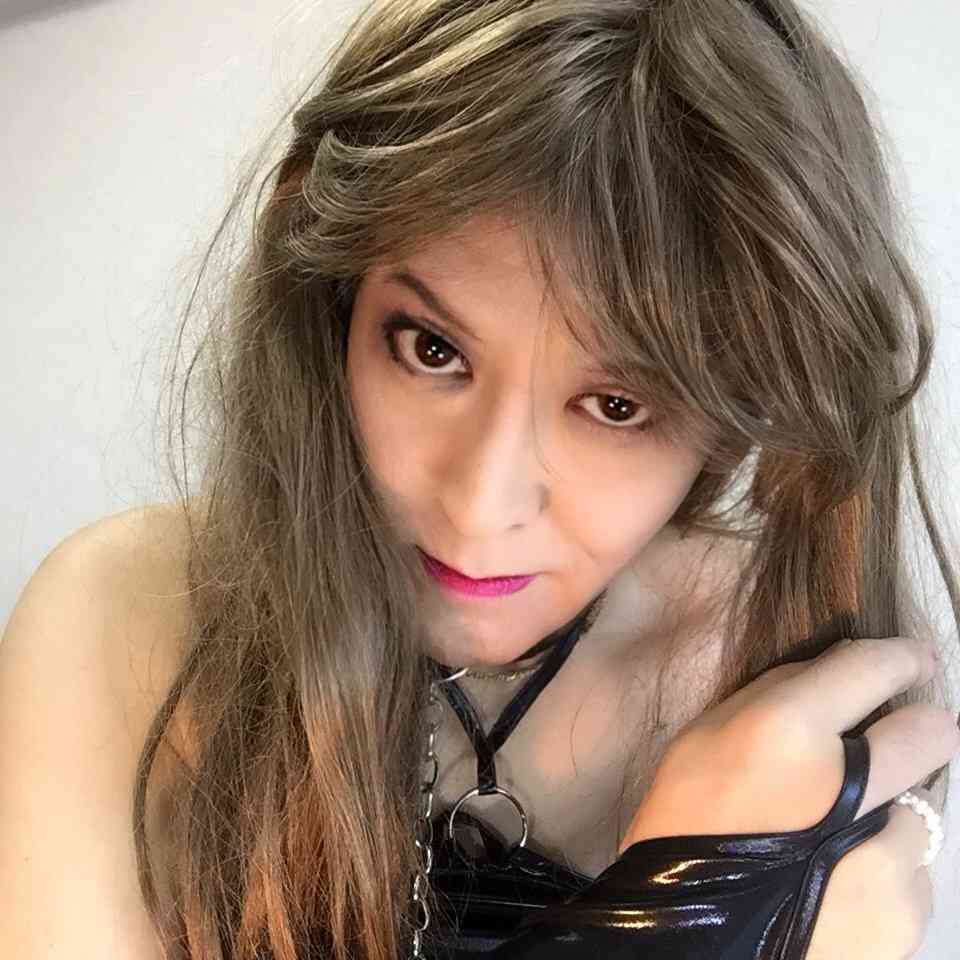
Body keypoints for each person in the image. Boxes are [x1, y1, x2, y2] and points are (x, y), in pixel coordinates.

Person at [1, 0, 958, 958]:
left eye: (616, 405)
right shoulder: (134, 616)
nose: (477, 506)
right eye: (431, 350)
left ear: (739, 412)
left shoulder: (777, 677)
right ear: (334, 304)